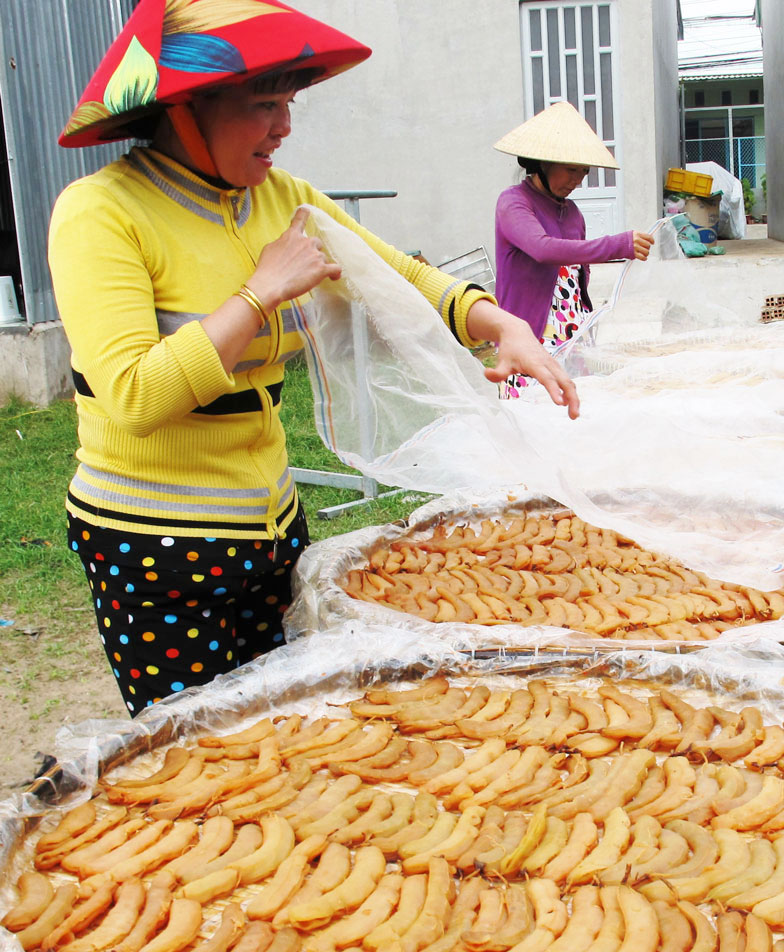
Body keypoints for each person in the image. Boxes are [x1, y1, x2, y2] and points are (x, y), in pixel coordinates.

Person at [49, 0, 579, 714]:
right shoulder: (101, 212)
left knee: (287, 733)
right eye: (264, 104)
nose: (284, 128)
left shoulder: (281, 199)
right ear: (183, 109)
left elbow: (396, 275)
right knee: (199, 756)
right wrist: (259, 292)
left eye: (289, 103)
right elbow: (136, 396)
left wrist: (499, 322)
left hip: (271, 528)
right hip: (157, 544)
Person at [493, 101, 654, 397]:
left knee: (572, 415)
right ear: (541, 162)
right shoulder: (514, 202)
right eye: (570, 170)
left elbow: (578, 273)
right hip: (530, 337)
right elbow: (543, 249)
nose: (576, 181)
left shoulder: (573, 213)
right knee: (532, 421)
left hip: (574, 336)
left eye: (583, 172)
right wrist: (618, 244)